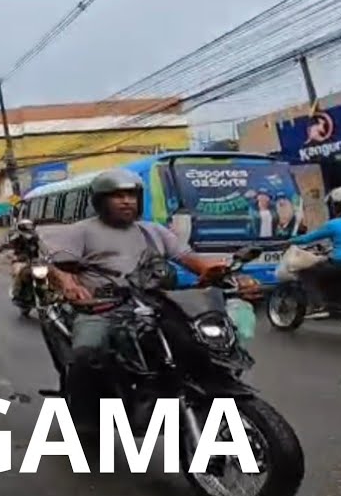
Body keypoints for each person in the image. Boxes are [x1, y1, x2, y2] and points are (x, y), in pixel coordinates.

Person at [45, 169, 256, 431]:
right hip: (102, 307)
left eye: (131, 195)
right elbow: (57, 266)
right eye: (117, 196)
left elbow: (189, 259)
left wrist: (213, 270)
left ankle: (202, 387)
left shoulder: (153, 231)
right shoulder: (81, 232)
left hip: (154, 302)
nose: (126, 201)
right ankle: (85, 415)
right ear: (100, 201)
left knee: (197, 341)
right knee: (86, 354)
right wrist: (70, 285)